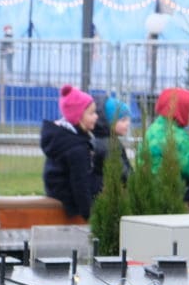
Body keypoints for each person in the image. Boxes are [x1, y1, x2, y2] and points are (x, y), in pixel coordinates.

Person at [40, 84, 101, 221]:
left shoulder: (64, 138)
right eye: (91, 113)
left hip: (56, 190)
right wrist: (89, 215)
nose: (96, 117)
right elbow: (80, 182)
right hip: (67, 196)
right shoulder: (76, 148)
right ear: (78, 117)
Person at [93, 94, 132, 182]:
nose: (128, 123)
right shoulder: (108, 145)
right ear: (109, 122)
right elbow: (124, 174)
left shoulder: (109, 140)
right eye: (123, 120)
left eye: (128, 119)